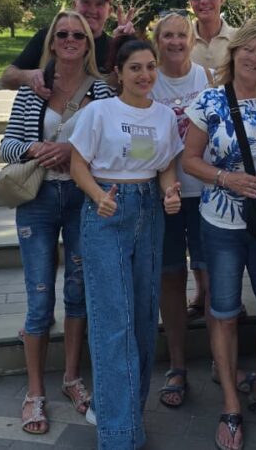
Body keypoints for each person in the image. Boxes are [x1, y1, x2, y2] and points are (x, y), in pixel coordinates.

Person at [183, 19, 256, 450]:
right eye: (245, 49)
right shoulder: (210, 101)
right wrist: (225, 179)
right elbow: (189, 160)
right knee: (224, 312)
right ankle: (231, 401)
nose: (253, 57)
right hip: (221, 224)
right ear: (232, 54)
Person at [0, 10, 112, 436]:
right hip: (40, 199)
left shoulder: (101, 92)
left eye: (77, 35)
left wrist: (73, 153)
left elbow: (109, 148)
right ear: (52, 42)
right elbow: (6, 146)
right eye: (61, 34)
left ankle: (71, 378)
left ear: (88, 44)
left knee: (79, 291)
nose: (69, 40)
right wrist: (36, 149)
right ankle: (34, 392)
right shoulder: (35, 89)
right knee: (39, 294)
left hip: (82, 198)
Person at [69, 39, 183, 450]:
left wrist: (170, 191)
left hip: (149, 212)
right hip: (108, 211)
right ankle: (119, 436)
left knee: (141, 317)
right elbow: (77, 162)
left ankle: (126, 414)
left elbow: (166, 163)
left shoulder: (164, 116)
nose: (145, 75)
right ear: (119, 72)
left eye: (151, 67)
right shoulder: (99, 112)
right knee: (113, 321)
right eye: (135, 68)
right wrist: (97, 196)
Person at [150, 10, 212, 407]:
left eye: (181, 35)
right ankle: (177, 364)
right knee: (170, 278)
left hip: (204, 191)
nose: (175, 42)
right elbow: (144, 141)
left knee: (212, 273)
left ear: (192, 40)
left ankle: (220, 359)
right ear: (157, 40)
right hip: (165, 193)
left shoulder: (205, 77)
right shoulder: (147, 77)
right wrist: (167, 181)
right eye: (167, 35)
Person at [1, 0, 134, 98]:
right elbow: (6, 78)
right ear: (75, 5)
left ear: (109, 11)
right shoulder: (49, 36)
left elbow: (132, 89)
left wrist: (126, 43)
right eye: (86, 2)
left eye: (99, 4)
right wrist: (28, 76)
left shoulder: (113, 47)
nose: (92, 10)